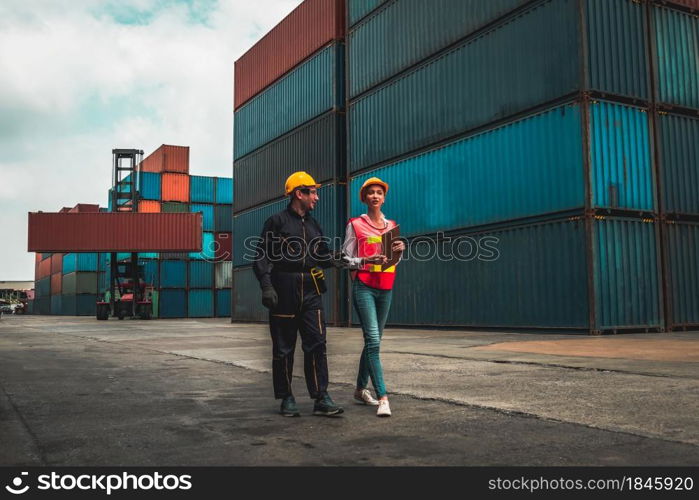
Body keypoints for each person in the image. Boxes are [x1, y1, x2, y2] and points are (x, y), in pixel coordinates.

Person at [253, 171, 343, 417]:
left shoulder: (314, 224)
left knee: (317, 343)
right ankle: (287, 397)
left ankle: (321, 396)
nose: (317, 197)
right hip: (284, 288)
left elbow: (321, 254)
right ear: (298, 194)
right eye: (312, 192)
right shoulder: (276, 222)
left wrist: (336, 258)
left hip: (311, 289)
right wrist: (266, 285)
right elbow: (261, 255)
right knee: (284, 348)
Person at [342, 177, 405, 417]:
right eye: (371, 193)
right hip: (364, 286)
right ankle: (383, 397)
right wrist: (365, 261)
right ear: (364, 198)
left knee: (373, 342)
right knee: (374, 341)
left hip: (386, 287)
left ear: (384, 197)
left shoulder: (392, 226)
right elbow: (345, 258)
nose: (375, 196)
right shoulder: (355, 225)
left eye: (379, 192)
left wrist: (401, 250)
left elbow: (393, 259)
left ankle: (360, 389)